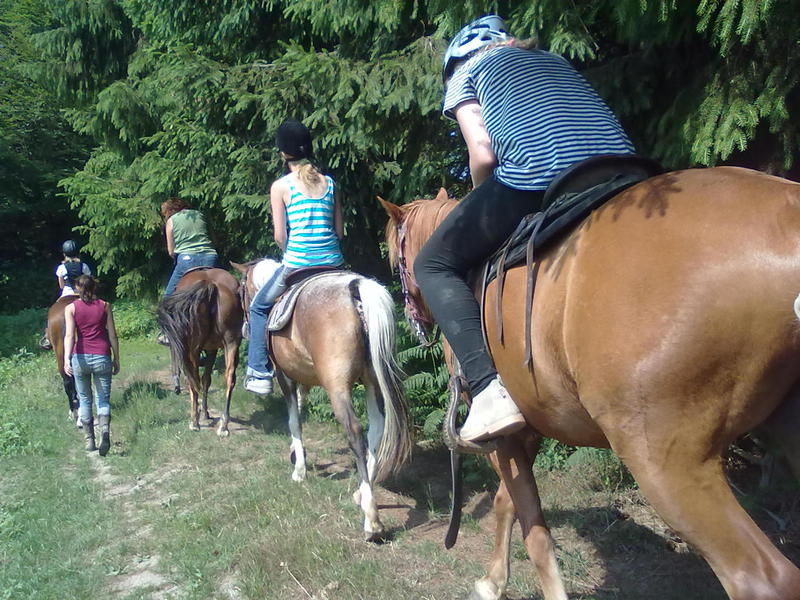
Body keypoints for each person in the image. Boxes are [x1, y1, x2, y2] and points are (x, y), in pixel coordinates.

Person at [414, 15, 635, 444]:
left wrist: (480, 203)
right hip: (625, 167)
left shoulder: (465, 74)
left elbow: (483, 153)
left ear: (455, 60)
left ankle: (487, 393)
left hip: (542, 177)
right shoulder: (552, 59)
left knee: (433, 265)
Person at [244, 119, 344, 395]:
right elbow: (339, 231)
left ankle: (259, 372)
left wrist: (292, 250)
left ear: (282, 153)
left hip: (298, 265)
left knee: (258, 308)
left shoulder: (281, 186)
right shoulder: (330, 183)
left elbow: (280, 236)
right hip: (333, 265)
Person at [63, 275, 120, 455]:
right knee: (102, 399)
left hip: (80, 358)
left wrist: (66, 359)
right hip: (102, 355)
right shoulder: (105, 306)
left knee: (85, 399)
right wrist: (116, 358)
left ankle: (89, 440)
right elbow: (112, 335)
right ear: (94, 287)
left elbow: (69, 336)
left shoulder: (71, 308)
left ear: (77, 289)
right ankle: (105, 432)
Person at [158, 197, 218, 345]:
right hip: (210, 257)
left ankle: (166, 333)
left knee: (168, 298)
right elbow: (213, 238)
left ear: (170, 211)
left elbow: (171, 251)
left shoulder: (172, 221)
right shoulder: (200, 215)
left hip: (187, 260)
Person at [39, 240, 92, 350]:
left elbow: (62, 286)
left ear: (64, 253)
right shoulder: (84, 266)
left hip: (66, 293)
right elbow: (88, 282)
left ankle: (48, 336)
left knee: (53, 309)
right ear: (78, 253)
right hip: (82, 294)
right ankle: (104, 329)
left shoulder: (61, 268)